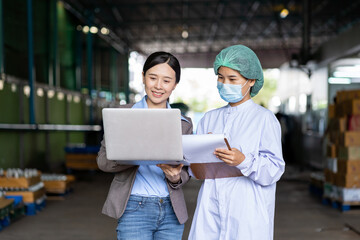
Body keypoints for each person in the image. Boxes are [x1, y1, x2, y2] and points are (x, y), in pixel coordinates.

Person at [188, 45, 285, 240]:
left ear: (251, 81)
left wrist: (244, 160)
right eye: (221, 78)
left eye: (232, 79)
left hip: (247, 212)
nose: (225, 84)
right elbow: (195, 168)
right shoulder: (209, 118)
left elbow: (274, 170)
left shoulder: (264, 119)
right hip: (210, 207)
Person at [97, 51, 193, 240]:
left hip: (172, 211)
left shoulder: (184, 123)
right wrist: (136, 156)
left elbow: (186, 172)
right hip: (134, 208)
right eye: (153, 78)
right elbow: (103, 161)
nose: (158, 86)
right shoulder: (121, 116)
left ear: (175, 85)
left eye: (166, 80)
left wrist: (175, 178)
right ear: (143, 77)